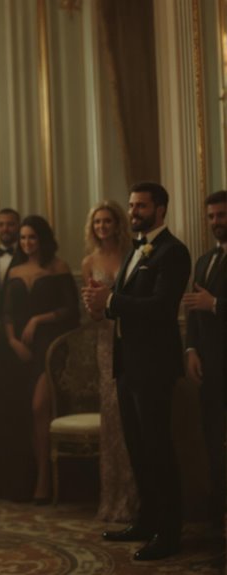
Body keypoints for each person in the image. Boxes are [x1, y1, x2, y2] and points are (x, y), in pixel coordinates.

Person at [82, 182, 190, 561]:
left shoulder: (173, 252)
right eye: (131, 205)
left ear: (160, 208)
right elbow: (122, 306)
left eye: (140, 206)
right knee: (138, 449)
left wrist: (110, 299)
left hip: (155, 366)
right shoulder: (134, 250)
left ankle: (169, 531)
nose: (133, 212)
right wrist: (101, 303)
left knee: (158, 448)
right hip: (127, 365)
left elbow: (160, 306)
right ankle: (146, 520)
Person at [3, 215, 79, 504]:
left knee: (39, 409)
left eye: (31, 237)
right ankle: (30, 478)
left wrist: (37, 319)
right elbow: (6, 312)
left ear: (42, 239)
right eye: (22, 238)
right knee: (25, 413)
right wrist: (12, 341)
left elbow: (71, 310)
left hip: (50, 346)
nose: (26, 243)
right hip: (19, 348)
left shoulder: (57, 266)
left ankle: (45, 481)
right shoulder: (14, 271)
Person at [81, 200, 138, 522]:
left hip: (134, 337)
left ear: (118, 224)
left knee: (133, 415)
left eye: (107, 221)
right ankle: (115, 500)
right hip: (105, 340)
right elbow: (92, 312)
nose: (102, 227)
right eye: (97, 222)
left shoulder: (132, 254)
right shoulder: (89, 261)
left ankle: (137, 496)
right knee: (113, 416)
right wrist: (94, 306)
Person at [183, 190, 227, 529]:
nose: (216, 222)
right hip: (209, 365)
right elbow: (192, 312)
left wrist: (215, 304)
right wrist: (191, 350)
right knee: (212, 437)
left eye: (222, 215)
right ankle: (218, 511)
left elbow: (207, 304)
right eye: (211, 217)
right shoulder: (203, 260)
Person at [0, 208, 33, 502]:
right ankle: (0, 481)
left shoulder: (30, 259)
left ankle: (24, 481)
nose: (6, 229)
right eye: (1, 224)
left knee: (22, 411)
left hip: (23, 344)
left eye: (11, 225)